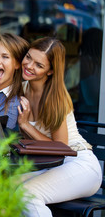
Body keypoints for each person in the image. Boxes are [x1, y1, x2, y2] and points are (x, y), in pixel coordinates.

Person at [17, 37, 102, 216]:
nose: (29, 66)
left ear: (50, 70)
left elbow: (61, 148)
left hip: (78, 163)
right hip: (52, 165)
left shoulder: (55, 98)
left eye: (39, 65)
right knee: (0, 187)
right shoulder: (22, 87)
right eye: (28, 57)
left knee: (27, 195)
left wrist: (25, 125)